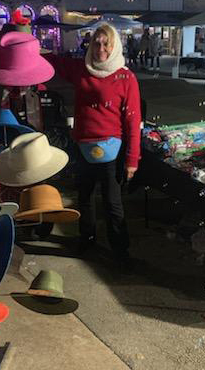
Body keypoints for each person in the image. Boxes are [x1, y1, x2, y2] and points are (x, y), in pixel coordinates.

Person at [45, 23, 141, 270]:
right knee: (85, 198)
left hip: (112, 150)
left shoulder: (125, 77)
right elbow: (53, 62)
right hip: (82, 147)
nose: (101, 48)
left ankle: (120, 250)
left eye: (106, 43)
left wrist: (132, 160)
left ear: (114, 45)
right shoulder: (82, 69)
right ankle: (86, 240)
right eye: (97, 42)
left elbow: (133, 120)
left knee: (112, 203)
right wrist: (27, 45)